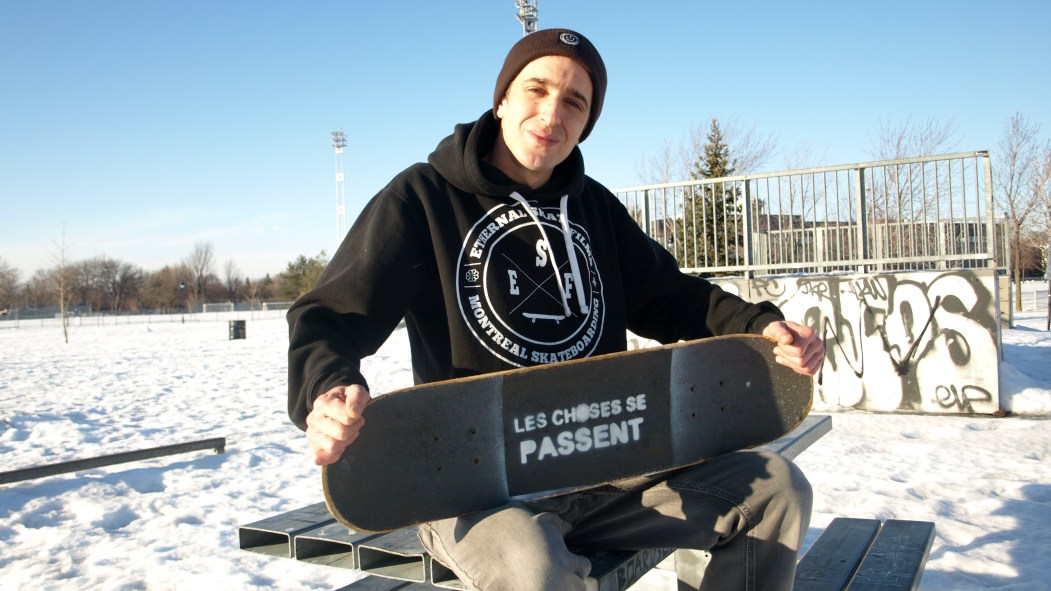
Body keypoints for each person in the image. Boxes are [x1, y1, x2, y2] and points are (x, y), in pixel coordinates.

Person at [287, 28, 824, 591]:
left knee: (777, 492)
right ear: (501, 101)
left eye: (574, 102)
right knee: (533, 570)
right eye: (535, 90)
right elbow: (328, 317)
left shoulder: (594, 208)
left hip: (607, 469)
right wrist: (327, 387)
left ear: (587, 122)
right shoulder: (421, 199)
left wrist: (761, 325)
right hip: (475, 489)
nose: (551, 113)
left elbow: (672, 296)